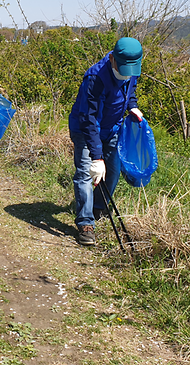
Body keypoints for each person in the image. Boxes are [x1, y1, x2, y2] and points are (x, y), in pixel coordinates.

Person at [68, 37, 144, 246]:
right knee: (86, 173)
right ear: (112, 58)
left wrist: (133, 106)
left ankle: (98, 207)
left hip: (111, 128)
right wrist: (96, 157)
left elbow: (130, 92)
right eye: (123, 68)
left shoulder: (131, 69)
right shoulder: (95, 77)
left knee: (113, 170)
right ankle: (85, 223)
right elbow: (88, 118)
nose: (127, 74)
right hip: (85, 129)